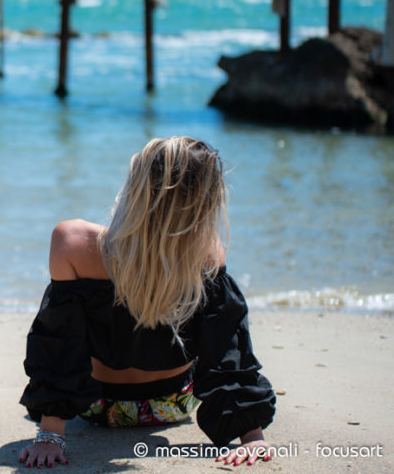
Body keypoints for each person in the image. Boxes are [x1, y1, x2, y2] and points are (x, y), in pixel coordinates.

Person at [18, 137, 276, 469]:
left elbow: (59, 342)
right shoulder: (206, 250)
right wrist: (251, 437)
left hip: (94, 407)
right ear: (204, 201)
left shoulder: (73, 243)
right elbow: (226, 351)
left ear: (136, 184)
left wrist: (49, 436)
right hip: (172, 405)